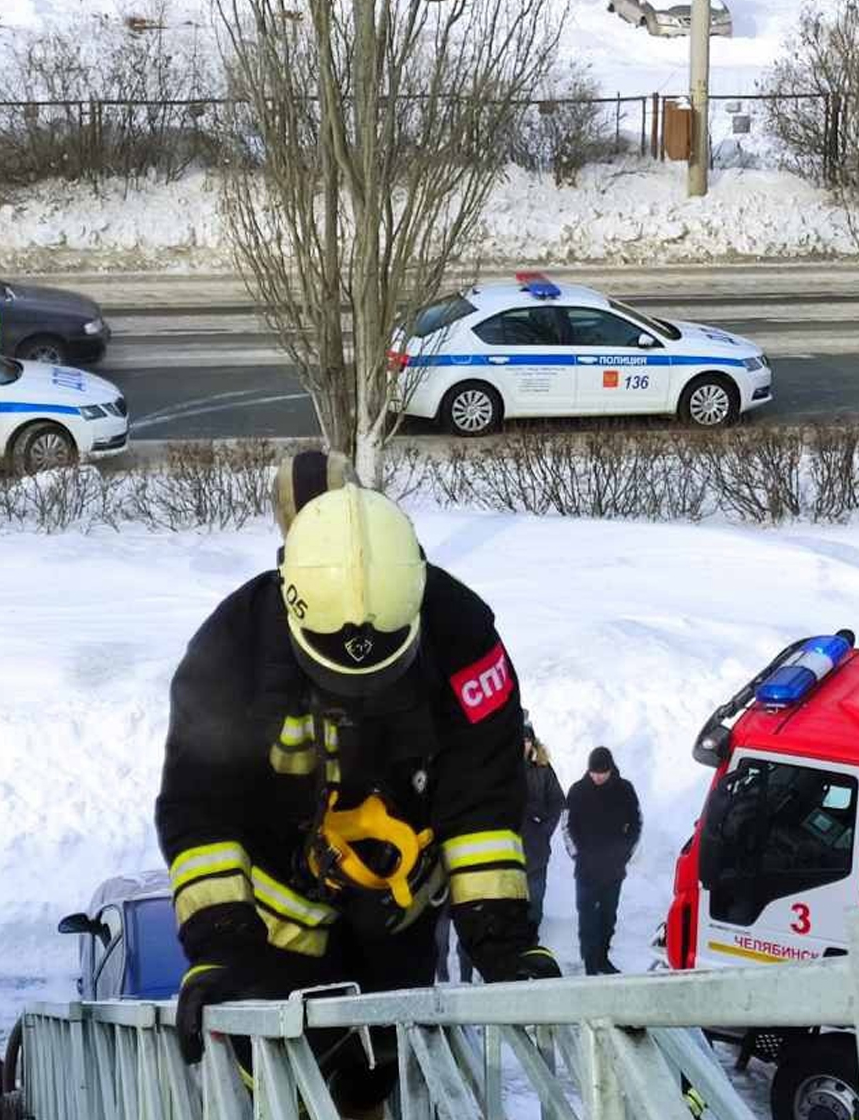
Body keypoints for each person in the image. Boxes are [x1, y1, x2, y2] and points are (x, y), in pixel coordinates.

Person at [156, 451, 558, 1116]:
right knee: (283, 1088)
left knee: (384, 1076)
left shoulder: (464, 641)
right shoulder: (229, 655)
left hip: (397, 925)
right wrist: (219, 948)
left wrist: (504, 942)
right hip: (272, 943)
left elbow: (482, 804)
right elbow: (200, 817)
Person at [565, 746, 640, 976]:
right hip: (586, 870)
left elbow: (636, 824)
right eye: (593, 772)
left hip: (613, 870)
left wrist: (624, 855)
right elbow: (566, 827)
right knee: (587, 919)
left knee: (608, 918)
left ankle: (603, 958)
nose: (597, 776)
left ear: (610, 770)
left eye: (602, 772)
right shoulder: (577, 791)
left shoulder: (625, 789)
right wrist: (578, 856)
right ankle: (589, 964)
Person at [521, 714, 566, 927]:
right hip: (506, 850)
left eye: (527, 740)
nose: (523, 745)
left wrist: (543, 830)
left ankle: (531, 943)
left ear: (532, 742)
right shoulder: (499, 769)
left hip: (536, 851)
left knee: (535, 901)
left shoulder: (542, 768)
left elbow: (558, 801)